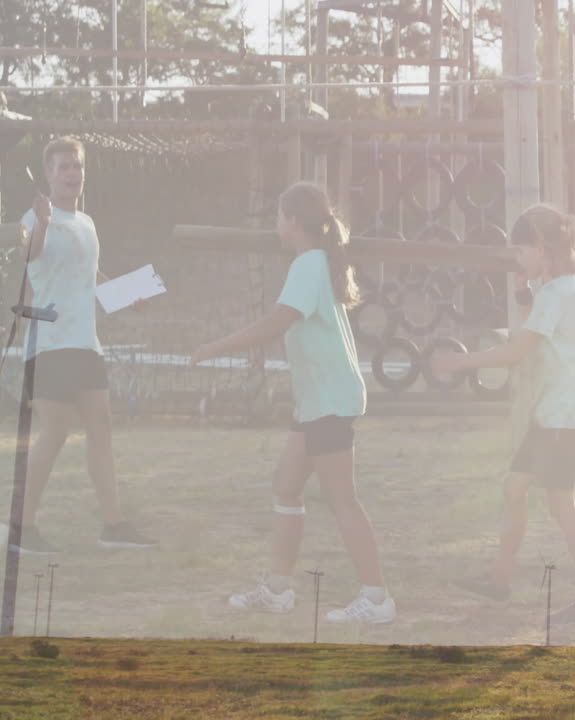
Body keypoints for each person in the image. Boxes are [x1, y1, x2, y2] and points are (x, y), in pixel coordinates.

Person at [191, 181, 394, 624]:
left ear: (294, 222)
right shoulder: (314, 260)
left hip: (331, 400)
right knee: (286, 484)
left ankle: (377, 599)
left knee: (342, 500)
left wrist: (216, 346)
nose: (275, 224)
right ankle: (279, 590)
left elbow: (277, 322)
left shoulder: (308, 263)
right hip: (317, 401)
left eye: (279, 216)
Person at [432, 204, 575, 625]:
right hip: (552, 414)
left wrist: (462, 361)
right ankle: (499, 581)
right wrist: (521, 289)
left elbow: (517, 350)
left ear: (545, 248)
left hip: (561, 417)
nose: (519, 258)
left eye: (524, 251)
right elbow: (536, 327)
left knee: (560, 503)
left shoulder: (559, 291)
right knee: (514, 488)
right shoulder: (563, 288)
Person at [2, 136, 157, 554]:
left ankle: (114, 525)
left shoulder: (86, 223)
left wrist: (128, 295)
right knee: (54, 430)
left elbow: (91, 277)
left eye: (77, 166)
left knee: (101, 428)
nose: (72, 173)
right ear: (49, 176)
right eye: (63, 167)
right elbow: (31, 256)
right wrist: (43, 221)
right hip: (50, 344)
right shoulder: (34, 219)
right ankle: (19, 527)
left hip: (86, 342)